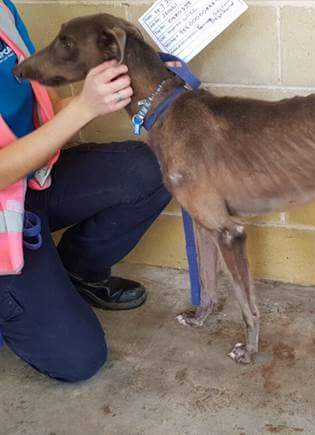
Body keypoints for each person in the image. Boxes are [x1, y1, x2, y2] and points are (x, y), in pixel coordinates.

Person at [0, 0, 171, 381]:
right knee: (78, 360)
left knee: (158, 168)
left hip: (33, 179)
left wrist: (132, 84)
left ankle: (79, 273)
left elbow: (39, 102)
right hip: (1, 219)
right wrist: (84, 108)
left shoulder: (3, 10)